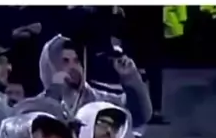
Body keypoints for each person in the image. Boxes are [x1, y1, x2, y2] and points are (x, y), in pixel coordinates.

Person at [17, 34, 152, 129]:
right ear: (50, 68)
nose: (73, 67)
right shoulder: (34, 107)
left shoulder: (99, 101)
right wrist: (55, 93)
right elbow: (18, 121)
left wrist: (131, 77)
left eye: (76, 61)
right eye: (65, 61)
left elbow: (139, 115)